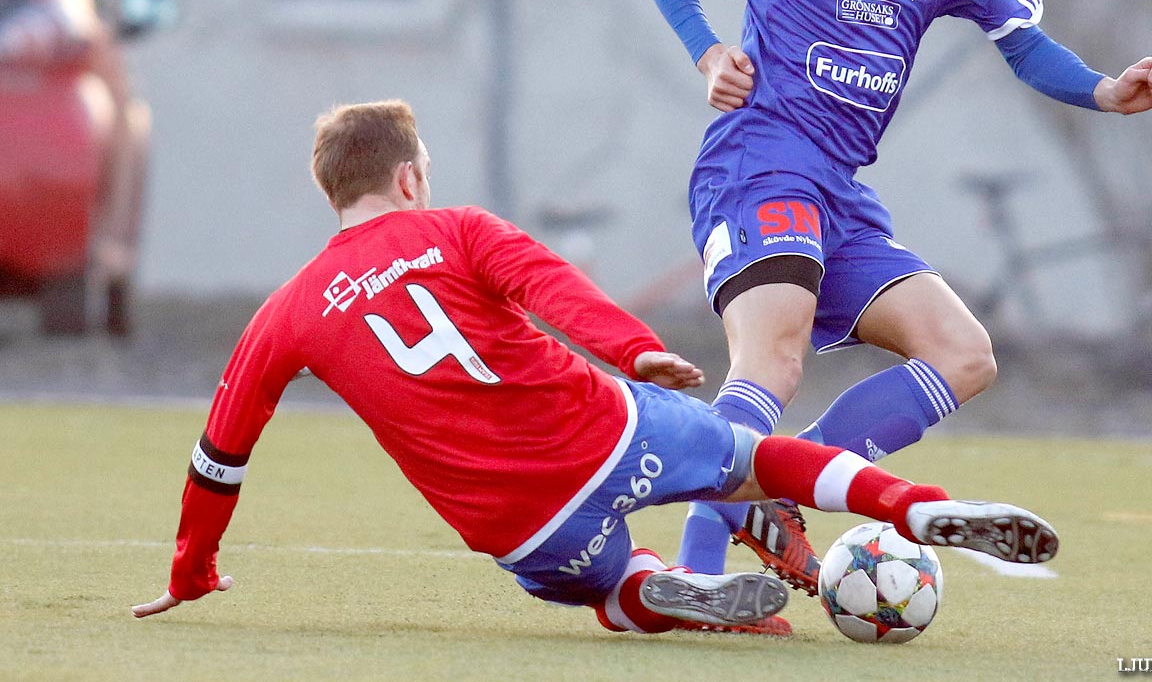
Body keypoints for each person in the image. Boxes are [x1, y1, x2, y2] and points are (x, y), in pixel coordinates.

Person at [131, 100, 1060, 636]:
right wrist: (634, 350)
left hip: (515, 520)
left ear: (333, 191)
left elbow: (221, 452)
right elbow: (552, 290)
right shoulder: (457, 229)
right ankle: (913, 506)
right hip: (603, 431)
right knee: (750, 458)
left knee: (606, 584)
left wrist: (192, 568)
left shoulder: (287, 312)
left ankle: (645, 592)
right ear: (411, 178)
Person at [635, 0, 1152, 628]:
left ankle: (777, 488)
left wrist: (1103, 91)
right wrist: (705, 51)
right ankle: (700, 576)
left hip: (840, 190)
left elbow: (1022, 41)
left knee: (965, 354)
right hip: (758, 164)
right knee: (773, 350)